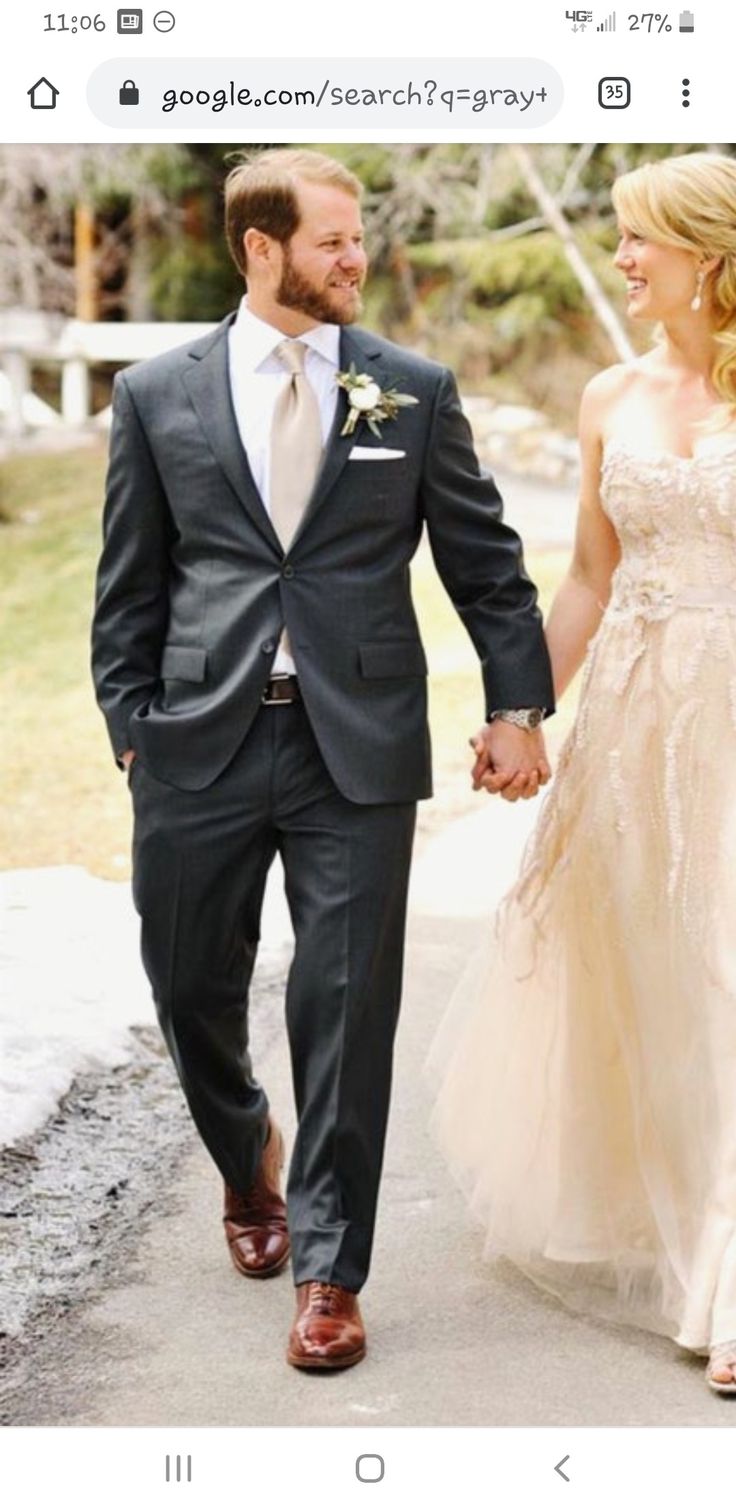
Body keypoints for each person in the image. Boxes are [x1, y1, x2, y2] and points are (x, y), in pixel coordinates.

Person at [91, 147, 554, 1371]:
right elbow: (127, 584)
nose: (356, 259)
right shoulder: (154, 393)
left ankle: (330, 1273)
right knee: (190, 989)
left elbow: (487, 567)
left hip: (355, 746)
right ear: (262, 248)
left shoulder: (409, 390)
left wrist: (519, 707)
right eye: (334, 240)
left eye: (356, 238)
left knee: (345, 1007)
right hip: (197, 742)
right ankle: (249, 1162)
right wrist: (133, 728)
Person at [430, 151, 736, 1395]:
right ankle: (681, 1225)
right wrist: (518, 712)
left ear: (710, 257)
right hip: (636, 727)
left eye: (639, 241)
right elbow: (594, 578)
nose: (620, 261)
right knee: (657, 969)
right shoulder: (610, 393)